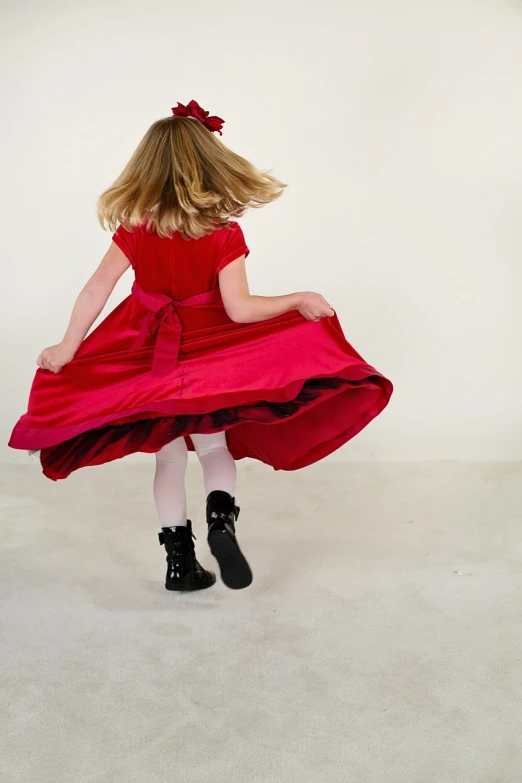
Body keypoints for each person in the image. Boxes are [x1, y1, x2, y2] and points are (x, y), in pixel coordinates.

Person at [9, 99, 393, 592]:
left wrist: (67, 347)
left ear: (146, 167)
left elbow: (95, 291)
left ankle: (179, 563)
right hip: (213, 359)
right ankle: (220, 522)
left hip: (146, 355)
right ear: (210, 165)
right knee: (213, 448)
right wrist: (297, 299)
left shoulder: (136, 227)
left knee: (168, 458)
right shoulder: (223, 232)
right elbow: (241, 310)